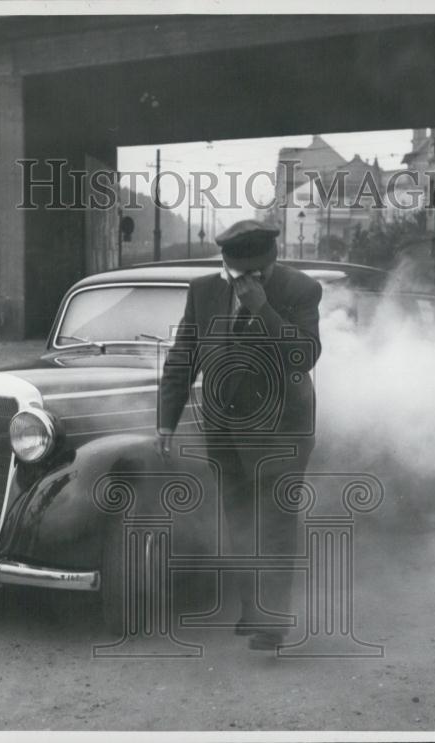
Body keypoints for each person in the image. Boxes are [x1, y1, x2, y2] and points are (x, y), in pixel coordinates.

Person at [157, 219, 323, 650]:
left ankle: (272, 621)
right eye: (239, 274)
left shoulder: (300, 289)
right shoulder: (203, 291)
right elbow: (183, 358)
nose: (248, 282)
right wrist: (166, 421)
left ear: (272, 259)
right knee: (239, 519)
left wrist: (263, 308)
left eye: (258, 274)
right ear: (226, 264)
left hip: (281, 429)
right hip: (224, 428)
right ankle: (254, 608)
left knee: (275, 522)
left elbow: (304, 356)